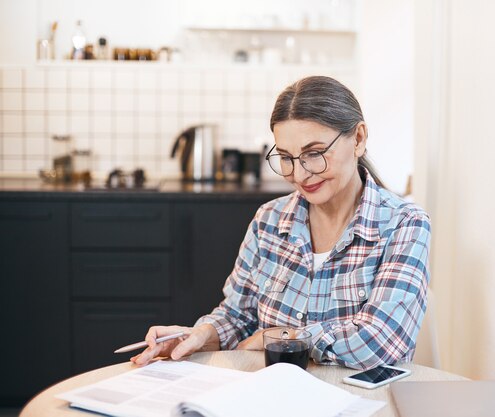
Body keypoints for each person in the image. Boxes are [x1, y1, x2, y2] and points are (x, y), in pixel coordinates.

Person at [132, 75, 431, 370]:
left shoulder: (404, 225)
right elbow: (238, 316)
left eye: (314, 154)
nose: (300, 175)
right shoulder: (269, 221)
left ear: (359, 139)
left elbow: (381, 341)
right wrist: (198, 335)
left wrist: (279, 338)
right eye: (286, 157)